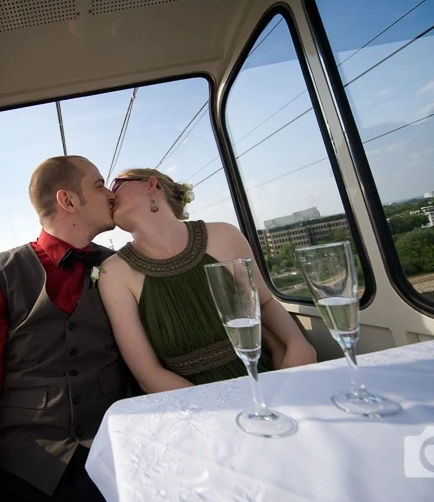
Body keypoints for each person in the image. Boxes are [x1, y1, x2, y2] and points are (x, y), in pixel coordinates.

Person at [0, 156, 137, 502]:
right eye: (99, 185)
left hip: (116, 451)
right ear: (67, 200)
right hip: (28, 470)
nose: (111, 195)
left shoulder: (120, 268)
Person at [98, 168, 316, 393]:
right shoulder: (114, 273)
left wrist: (297, 346)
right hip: (192, 401)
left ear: (151, 185)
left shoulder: (225, 236)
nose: (110, 195)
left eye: (116, 186)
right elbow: (148, 375)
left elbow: (264, 303)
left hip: (265, 377)